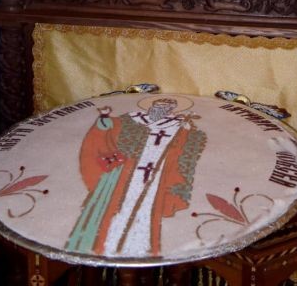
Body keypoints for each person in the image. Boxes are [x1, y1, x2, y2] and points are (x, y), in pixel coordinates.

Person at [65, 96, 205, 256]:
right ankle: (104, 243)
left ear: (170, 109)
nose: (160, 109)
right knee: (114, 205)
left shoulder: (177, 124)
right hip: (125, 172)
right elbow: (109, 128)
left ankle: (140, 244)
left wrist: (186, 131)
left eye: (165, 106)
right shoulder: (133, 118)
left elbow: (182, 148)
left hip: (156, 173)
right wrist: (104, 118)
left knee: (147, 207)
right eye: (158, 105)